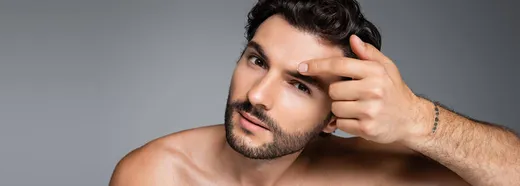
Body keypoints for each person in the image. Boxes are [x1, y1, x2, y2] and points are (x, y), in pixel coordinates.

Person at [109, 0, 520, 185]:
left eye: (300, 85)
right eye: (257, 61)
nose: (257, 96)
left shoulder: (369, 173)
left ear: (333, 117)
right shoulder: (156, 175)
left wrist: (415, 119)